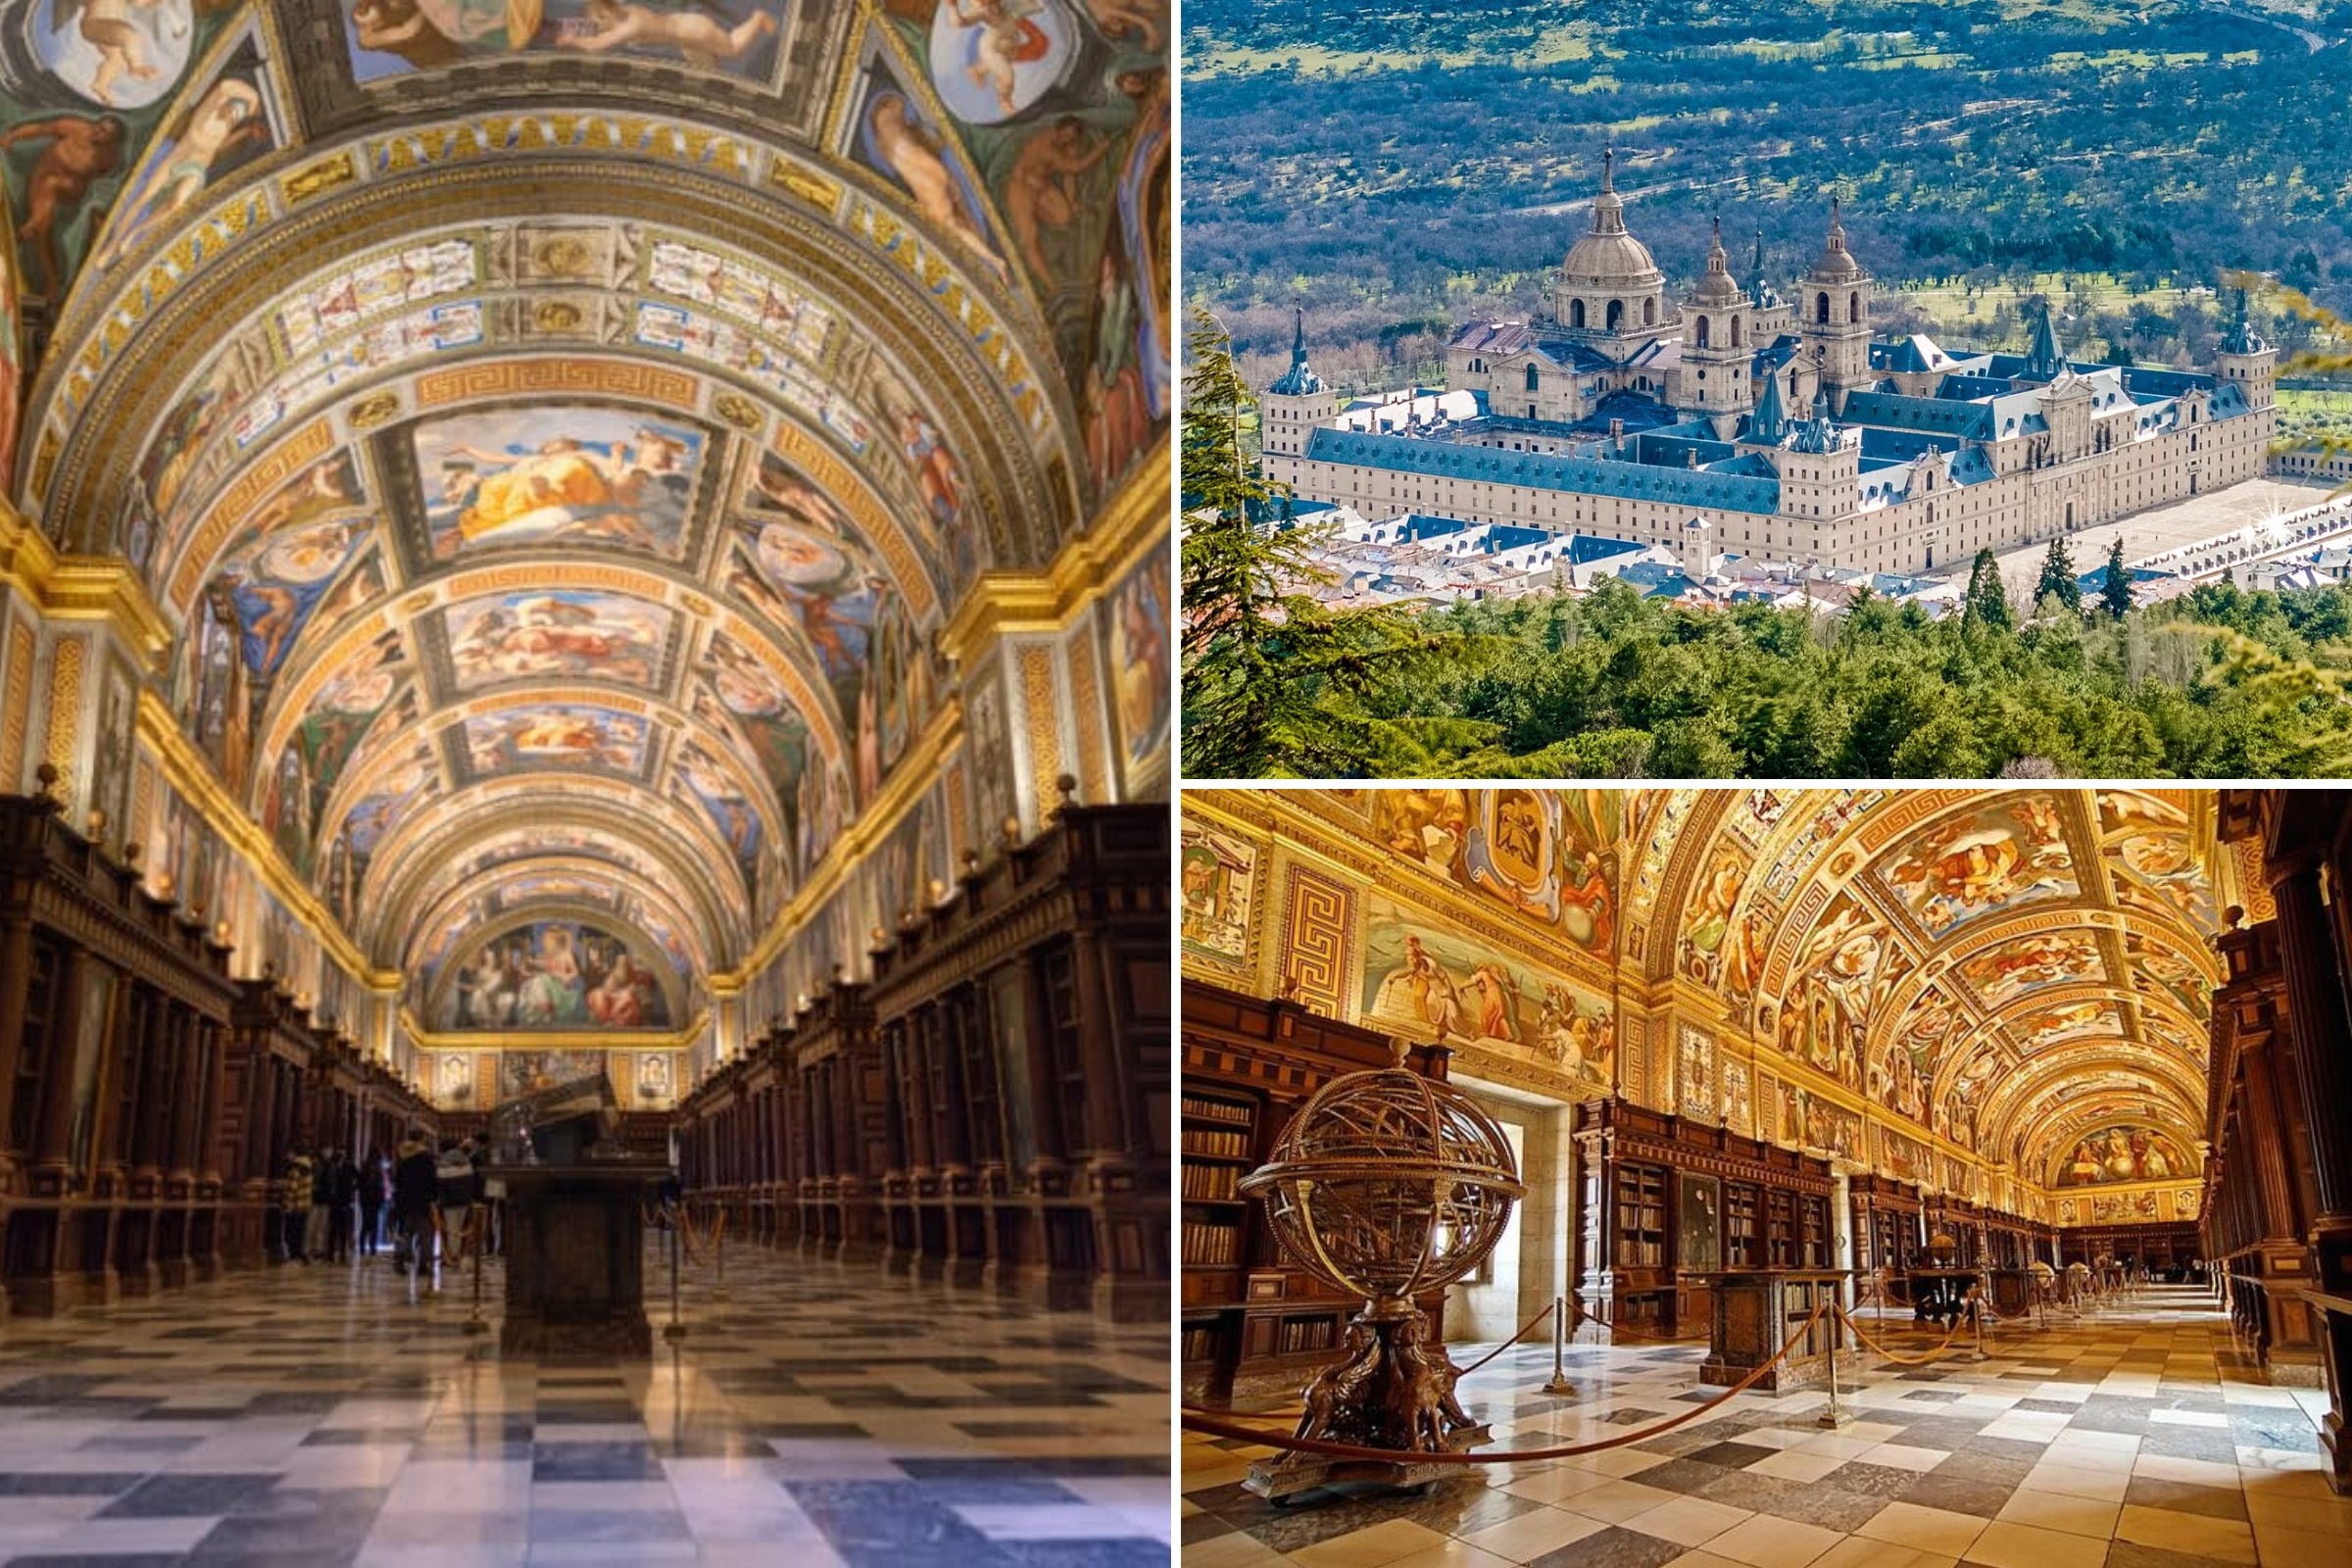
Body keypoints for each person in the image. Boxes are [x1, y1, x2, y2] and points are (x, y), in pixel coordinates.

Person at [390, 1128, 438, 1279]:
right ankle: (423, 1265)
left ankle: (399, 1261)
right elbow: (432, 1180)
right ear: (422, 1139)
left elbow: (397, 1180)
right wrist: (433, 1197)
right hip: (422, 1201)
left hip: (404, 1201)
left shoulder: (402, 1156)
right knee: (425, 1234)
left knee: (405, 1233)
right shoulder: (425, 1158)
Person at [436, 1138, 480, 1265]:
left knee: (452, 1228)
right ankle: (459, 1254)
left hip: (449, 1202)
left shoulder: (444, 1163)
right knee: (461, 1227)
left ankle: (452, 1256)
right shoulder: (466, 1162)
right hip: (465, 1200)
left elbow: (440, 1185)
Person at [282, 1145, 315, 1263]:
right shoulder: (308, 1167)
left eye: (289, 1153)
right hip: (305, 1205)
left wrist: (287, 1204)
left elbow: (292, 1188)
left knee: (291, 1231)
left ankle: (294, 1255)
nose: (287, 1156)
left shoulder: (295, 1169)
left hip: (295, 1205)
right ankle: (300, 1254)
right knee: (300, 1231)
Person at [326, 1150, 358, 1264]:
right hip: (335, 1202)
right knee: (333, 1229)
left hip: (344, 1202)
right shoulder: (332, 1166)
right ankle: (330, 1254)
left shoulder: (349, 1166)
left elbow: (359, 1178)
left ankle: (342, 1254)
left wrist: (352, 1189)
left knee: (343, 1230)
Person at [357, 1148, 387, 1257]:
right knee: (373, 1224)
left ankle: (362, 1247)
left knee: (365, 1224)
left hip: (365, 1199)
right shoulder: (379, 1168)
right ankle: (372, 1247)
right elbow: (381, 1186)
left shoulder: (364, 1166)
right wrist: (382, 1199)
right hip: (375, 1200)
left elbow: (359, 1183)